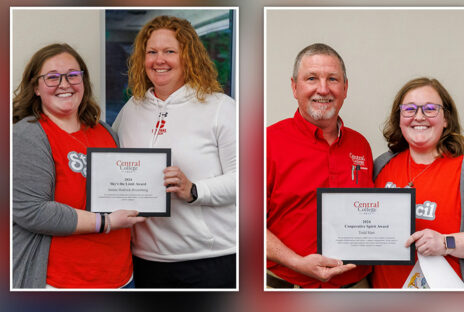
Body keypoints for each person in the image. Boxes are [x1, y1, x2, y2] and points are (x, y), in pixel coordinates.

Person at [112, 15, 236, 288]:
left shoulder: (221, 108)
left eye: (170, 51)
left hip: (209, 260)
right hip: (144, 260)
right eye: (152, 52)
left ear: (188, 57)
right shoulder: (131, 109)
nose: (159, 60)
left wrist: (194, 189)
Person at [12, 43, 146, 288]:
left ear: (83, 81)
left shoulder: (104, 131)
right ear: (36, 87)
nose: (65, 84)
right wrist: (105, 222)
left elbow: (122, 189)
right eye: (52, 77)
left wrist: (153, 186)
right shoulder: (27, 135)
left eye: (73, 75)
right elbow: (31, 211)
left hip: (121, 277)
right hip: (61, 283)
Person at [266, 43, 374, 288]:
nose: (323, 89)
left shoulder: (360, 145)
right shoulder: (267, 143)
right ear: (295, 87)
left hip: (356, 288)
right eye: (312, 78)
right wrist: (295, 261)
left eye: (333, 79)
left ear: (345, 88)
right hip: (289, 288)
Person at [371, 77, 464, 288]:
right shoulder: (381, 165)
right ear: (399, 118)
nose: (419, 116)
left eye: (430, 109)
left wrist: (446, 243)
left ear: (446, 119)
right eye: (409, 109)